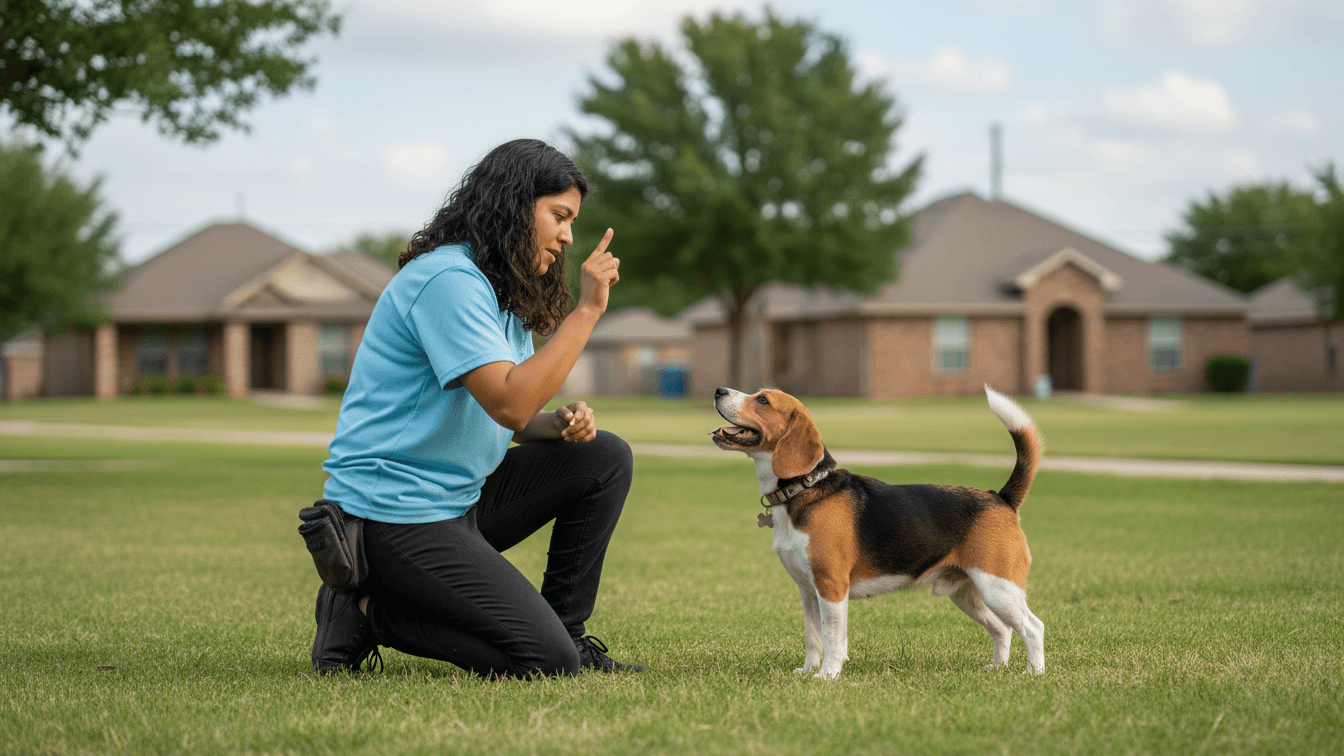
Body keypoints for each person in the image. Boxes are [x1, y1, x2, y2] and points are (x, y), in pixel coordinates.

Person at [310, 138, 641, 678]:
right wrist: (587, 312)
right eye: (559, 216)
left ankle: (569, 632)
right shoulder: (448, 280)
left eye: (572, 221)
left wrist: (552, 426)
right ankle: (368, 612)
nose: (567, 236)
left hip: (458, 502)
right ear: (515, 204)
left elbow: (502, 417)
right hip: (391, 516)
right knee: (542, 662)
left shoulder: (502, 293)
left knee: (603, 457)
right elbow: (510, 403)